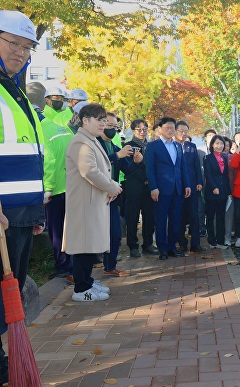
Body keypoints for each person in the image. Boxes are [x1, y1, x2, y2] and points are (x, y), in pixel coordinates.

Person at [0, 11, 45, 383]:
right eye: (13, 42)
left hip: (21, 214)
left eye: (27, 46)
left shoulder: (15, 90)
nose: (21, 52)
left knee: (7, 299)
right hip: (2, 214)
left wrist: (35, 212)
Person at [64, 103, 122, 301]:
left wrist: (111, 186)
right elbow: (90, 171)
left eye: (104, 120)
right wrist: (112, 186)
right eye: (99, 120)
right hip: (84, 204)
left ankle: (87, 281)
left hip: (91, 201)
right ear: (85, 120)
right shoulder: (81, 142)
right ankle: (81, 288)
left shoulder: (91, 140)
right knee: (83, 246)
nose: (103, 124)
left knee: (89, 245)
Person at [97, 112, 139, 277]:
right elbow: (95, 164)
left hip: (112, 197)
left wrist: (136, 161)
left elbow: (126, 169)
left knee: (115, 233)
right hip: (96, 195)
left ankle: (110, 266)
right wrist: (117, 155)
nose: (112, 130)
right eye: (109, 126)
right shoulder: (95, 143)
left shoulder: (114, 146)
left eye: (115, 127)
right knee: (96, 234)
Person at [42, 101, 80, 280]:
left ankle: (63, 265)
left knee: (56, 230)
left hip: (55, 189)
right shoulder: (64, 129)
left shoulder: (43, 130)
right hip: (70, 186)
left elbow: (48, 162)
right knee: (69, 228)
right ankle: (72, 265)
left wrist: (47, 188)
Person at [145, 116, 191, 261]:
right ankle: (162, 248)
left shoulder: (178, 146)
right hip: (161, 190)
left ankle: (172, 247)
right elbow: (150, 169)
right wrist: (154, 187)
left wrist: (187, 184)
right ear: (159, 129)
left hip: (177, 189)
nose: (170, 130)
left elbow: (182, 167)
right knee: (161, 220)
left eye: (172, 128)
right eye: (167, 128)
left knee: (175, 219)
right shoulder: (153, 146)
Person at [124, 119, 158, 257]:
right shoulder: (128, 146)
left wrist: (149, 180)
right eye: (139, 129)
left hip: (149, 188)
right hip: (134, 187)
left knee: (149, 217)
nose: (143, 132)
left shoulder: (151, 146)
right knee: (132, 218)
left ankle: (148, 244)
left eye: (145, 129)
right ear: (133, 131)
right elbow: (126, 168)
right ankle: (133, 246)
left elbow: (154, 166)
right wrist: (145, 178)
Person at [174, 120, 205, 253]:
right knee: (180, 216)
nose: (183, 133)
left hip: (192, 186)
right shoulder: (171, 146)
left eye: (186, 131)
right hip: (177, 187)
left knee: (195, 215)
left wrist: (199, 182)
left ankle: (196, 244)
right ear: (175, 131)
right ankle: (182, 243)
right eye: (181, 131)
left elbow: (197, 166)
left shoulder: (191, 146)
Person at [204, 135, 231, 249]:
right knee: (210, 217)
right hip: (211, 192)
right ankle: (211, 240)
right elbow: (208, 174)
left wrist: (228, 190)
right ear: (212, 145)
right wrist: (214, 187)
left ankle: (220, 240)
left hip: (223, 191)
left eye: (221, 143)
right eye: (217, 143)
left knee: (221, 216)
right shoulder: (207, 158)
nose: (219, 146)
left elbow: (226, 176)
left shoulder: (226, 158)